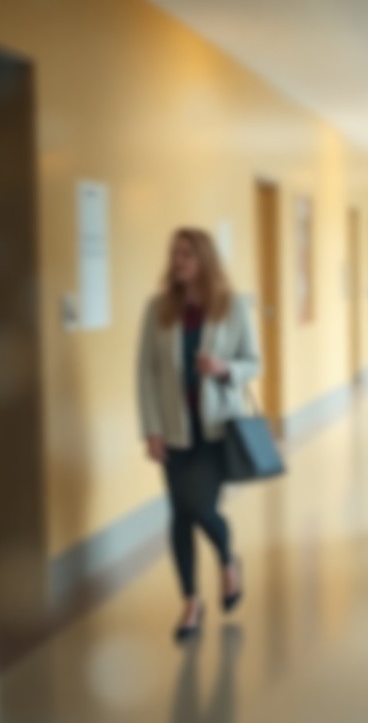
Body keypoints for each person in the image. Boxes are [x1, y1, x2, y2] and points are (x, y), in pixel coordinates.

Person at [138, 227, 260, 642]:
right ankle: (191, 602)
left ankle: (228, 559)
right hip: (174, 431)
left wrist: (225, 370)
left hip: (215, 429)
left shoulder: (232, 307)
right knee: (180, 515)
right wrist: (152, 429)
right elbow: (146, 375)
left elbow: (253, 362)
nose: (179, 261)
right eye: (174, 254)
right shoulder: (157, 310)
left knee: (201, 508)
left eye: (187, 254)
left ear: (204, 259)